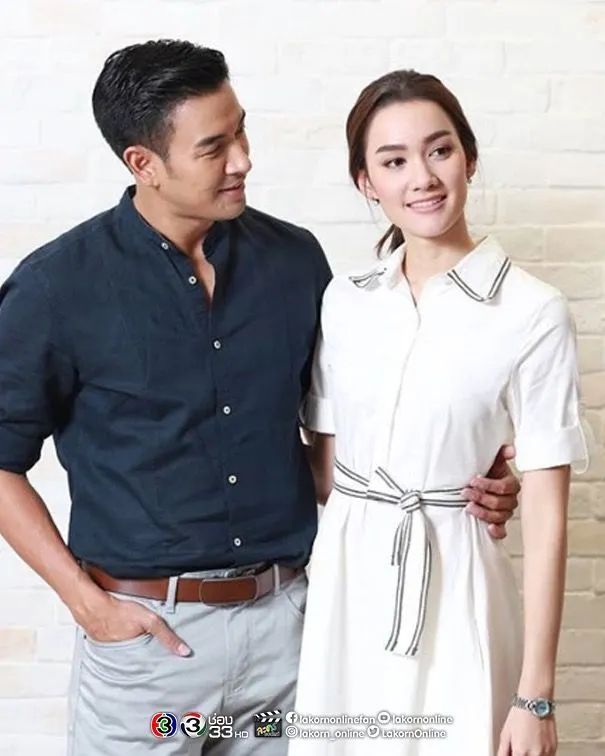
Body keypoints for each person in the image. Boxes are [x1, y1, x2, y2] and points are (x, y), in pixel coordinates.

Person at [0, 43, 519, 756]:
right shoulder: (57, 288)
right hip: (150, 662)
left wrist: (465, 482)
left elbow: (340, 445)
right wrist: (86, 603)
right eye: (214, 147)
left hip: (287, 646)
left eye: (241, 131)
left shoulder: (294, 261)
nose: (242, 159)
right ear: (143, 164)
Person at [291, 70, 587, 756]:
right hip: (346, 591)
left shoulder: (532, 311)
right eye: (393, 161)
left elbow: (549, 518)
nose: (421, 178)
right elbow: (328, 471)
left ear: (469, 158)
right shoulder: (345, 301)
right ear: (366, 182)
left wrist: (535, 696)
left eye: (439, 150)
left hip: (460, 589)